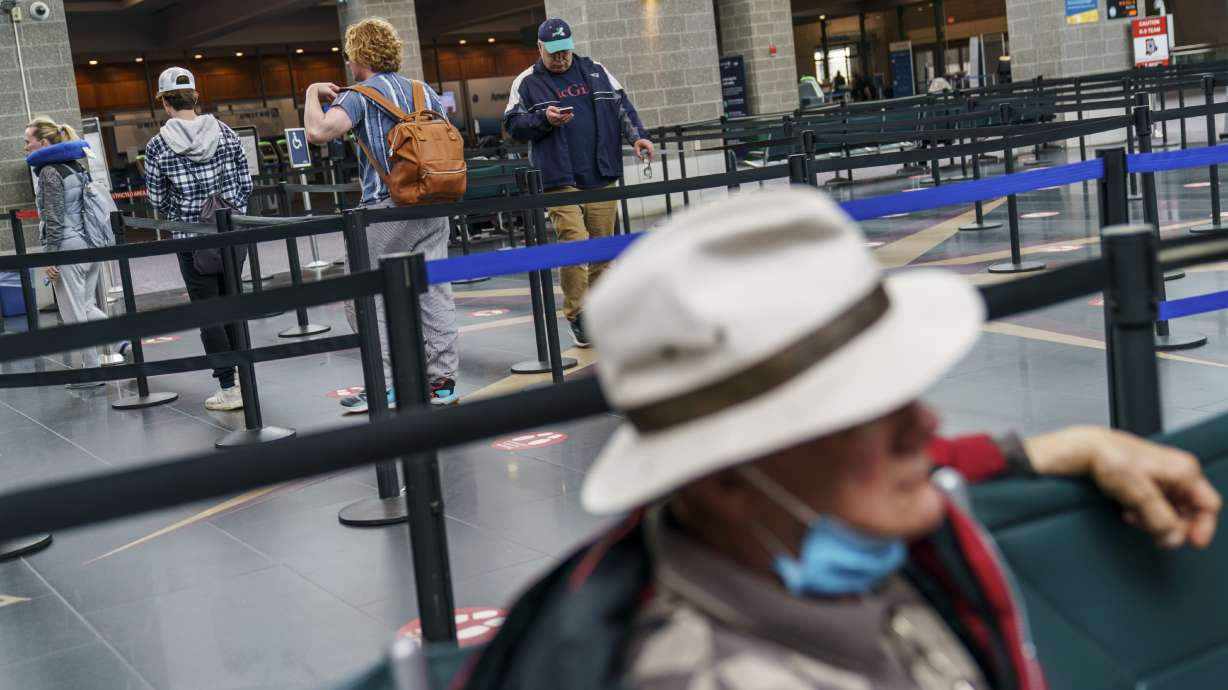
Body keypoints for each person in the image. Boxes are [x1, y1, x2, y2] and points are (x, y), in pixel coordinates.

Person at [455, 189, 1222, 690]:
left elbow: (881, 470)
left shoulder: (784, 536)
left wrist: (1066, 448)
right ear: (722, 479)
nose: (926, 426)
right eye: (861, 412)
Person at [303, 17, 460, 413]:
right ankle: (442, 382)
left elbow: (319, 132)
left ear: (359, 55)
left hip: (388, 209)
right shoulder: (424, 91)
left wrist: (310, 91)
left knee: (363, 296)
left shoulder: (359, 95)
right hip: (436, 201)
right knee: (433, 290)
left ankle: (391, 384)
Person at [503, 18, 654, 348]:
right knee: (575, 242)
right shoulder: (526, 82)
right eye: (554, 53)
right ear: (540, 48)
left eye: (565, 52)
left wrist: (638, 138)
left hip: (600, 171)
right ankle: (577, 314)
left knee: (602, 249)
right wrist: (544, 119)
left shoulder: (595, 69)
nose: (561, 59)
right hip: (559, 176)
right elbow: (512, 125)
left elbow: (621, 106)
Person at [144, 67, 254, 411]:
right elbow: (245, 184)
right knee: (234, 303)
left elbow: (158, 200)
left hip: (192, 238)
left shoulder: (158, 145)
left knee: (208, 312)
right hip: (231, 231)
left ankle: (227, 387)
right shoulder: (226, 133)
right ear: (195, 96)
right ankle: (246, 380)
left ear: (164, 103)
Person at [23, 117, 128, 387]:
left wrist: (50, 256)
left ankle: (91, 373)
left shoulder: (48, 172)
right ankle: (123, 338)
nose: (26, 147)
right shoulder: (75, 166)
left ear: (43, 142)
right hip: (90, 244)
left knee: (73, 314)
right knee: (85, 306)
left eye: (28, 141)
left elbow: (54, 218)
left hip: (67, 247)